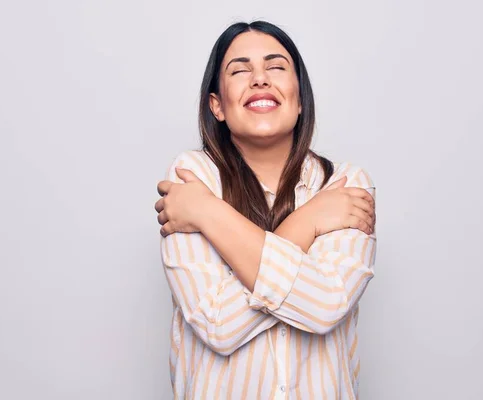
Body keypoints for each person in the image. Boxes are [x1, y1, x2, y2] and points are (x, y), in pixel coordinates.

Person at [154, 20, 377, 399]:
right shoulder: (192, 179)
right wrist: (308, 222)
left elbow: (324, 306)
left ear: (300, 97)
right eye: (240, 70)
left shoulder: (344, 185)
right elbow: (218, 324)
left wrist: (208, 214)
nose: (260, 79)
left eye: (276, 67)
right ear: (217, 105)